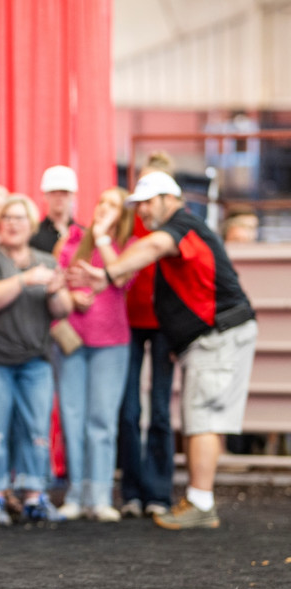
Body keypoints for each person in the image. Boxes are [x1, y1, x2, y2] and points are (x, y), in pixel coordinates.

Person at [68, 172, 258, 530]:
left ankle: (201, 502)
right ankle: (201, 499)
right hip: (216, 335)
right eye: (138, 204)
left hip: (218, 335)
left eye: (146, 202)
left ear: (167, 199)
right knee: (206, 419)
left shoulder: (180, 226)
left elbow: (153, 247)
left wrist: (107, 274)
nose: (141, 211)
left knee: (202, 418)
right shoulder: (184, 227)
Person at [0, 194, 73, 525]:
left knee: (37, 430)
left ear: (31, 225)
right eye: (7, 218)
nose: (13, 224)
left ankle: (33, 495)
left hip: (36, 360)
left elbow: (63, 310)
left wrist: (56, 290)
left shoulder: (46, 259)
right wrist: (25, 279)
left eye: (19, 218)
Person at [54, 188, 135, 521]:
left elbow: (122, 277)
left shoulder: (127, 249)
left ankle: (100, 496)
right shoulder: (71, 243)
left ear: (123, 215)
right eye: (102, 202)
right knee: (72, 419)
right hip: (72, 341)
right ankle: (75, 494)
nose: (104, 209)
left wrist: (101, 237)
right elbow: (56, 281)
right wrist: (72, 298)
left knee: (101, 421)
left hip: (112, 343)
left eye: (114, 206)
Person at [118, 152, 176, 519]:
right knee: (128, 409)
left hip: (167, 324)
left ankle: (159, 492)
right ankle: (131, 492)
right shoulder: (131, 218)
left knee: (159, 409)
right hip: (129, 323)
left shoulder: (176, 224)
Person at [30, 165, 80, 254]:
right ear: (45, 195)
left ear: (73, 196)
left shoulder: (83, 234)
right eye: (53, 192)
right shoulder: (33, 233)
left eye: (64, 193)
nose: (59, 197)